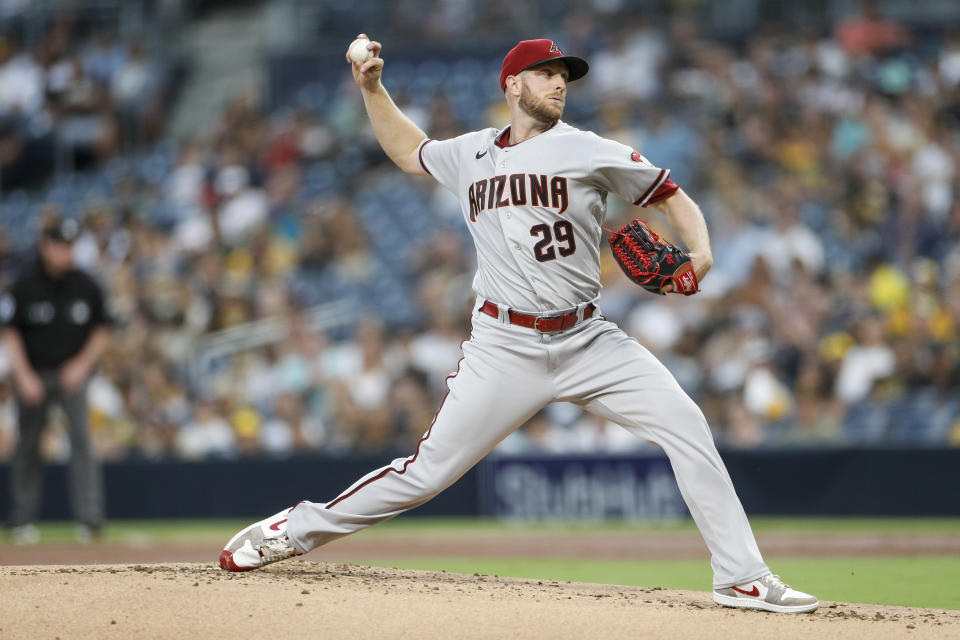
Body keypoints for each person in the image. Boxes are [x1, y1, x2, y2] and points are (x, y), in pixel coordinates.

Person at [219, 36, 819, 614]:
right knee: (425, 475)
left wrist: (702, 252)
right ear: (513, 84)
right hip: (504, 345)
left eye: (565, 77)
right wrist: (372, 89)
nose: (559, 83)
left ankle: (741, 578)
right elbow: (409, 151)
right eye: (547, 74)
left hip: (588, 339)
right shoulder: (472, 152)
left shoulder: (587, 148)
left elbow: (670, 194)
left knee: (687, 424)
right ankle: (293, 530)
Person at [1, 217, 111, 543]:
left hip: (72, 376)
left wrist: (81, 365)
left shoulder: (86, 285)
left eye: (70, 245)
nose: (67, 251)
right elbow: (11, 333)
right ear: (44, 246)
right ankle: (21, 520)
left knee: (81, 443)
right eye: (60, 245)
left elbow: (102, 330)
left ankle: (90, 520)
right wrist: (23, 375)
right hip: (33, 375)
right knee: (28, 446)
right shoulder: (25, 285)